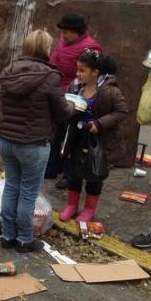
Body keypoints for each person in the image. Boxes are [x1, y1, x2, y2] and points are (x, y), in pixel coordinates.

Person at [0, 30, 75, 253]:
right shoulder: (50, 77)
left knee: (11, 186)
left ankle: (7, 234)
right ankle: (24, 238)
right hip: (33, 142)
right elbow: (62, 113)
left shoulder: (9, 71)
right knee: (28, 192)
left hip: (7, 139)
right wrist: (72, 106)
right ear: (45, 49)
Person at [59, 51, 128, 223]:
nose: (77, 74)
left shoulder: (109, 91)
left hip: (98, 141)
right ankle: (71, 206)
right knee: (73, 172)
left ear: (95, 72)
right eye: (77, 70)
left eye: (82, 71)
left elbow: (122, 111)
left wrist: (100, 123)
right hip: (76, 137)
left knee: (94, 174)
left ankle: (89, 209)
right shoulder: (75, 87)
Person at [47, 13, 103, 187]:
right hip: (59, 92)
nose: (62, 35)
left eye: (66, 32)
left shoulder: (91, 48)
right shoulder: (63, 41)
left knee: (71, 136)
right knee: (56, 133)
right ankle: (52, 167)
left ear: (76, 32)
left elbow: (93, 74)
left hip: (75, 97)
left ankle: (69, 173)